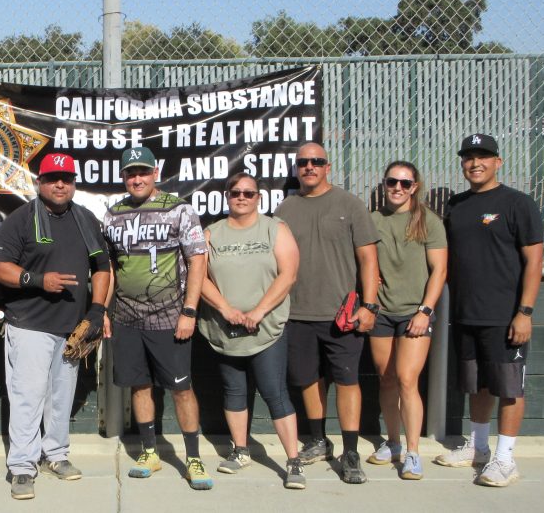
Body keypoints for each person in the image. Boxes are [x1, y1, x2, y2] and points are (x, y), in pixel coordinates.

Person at [0, 153, 112, 500]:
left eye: (67, 178)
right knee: (28, 398)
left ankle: (55, 456)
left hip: (71, 326)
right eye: (53, 178)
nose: (60, 184)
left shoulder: (85, 218)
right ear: (39, 183)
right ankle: (23, 467)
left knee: (61, 398)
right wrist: (37, 280)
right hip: (29, 324)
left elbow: (102, 267)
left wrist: (98, 309)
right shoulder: (21, 219)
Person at [434, 133, 543, 487]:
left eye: (483, 157)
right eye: (468, 157)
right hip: (465, 315)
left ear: (498, 162)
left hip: (506, 317)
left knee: (509, 389)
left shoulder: (518, 203)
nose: (475, 163)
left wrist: (524, 311)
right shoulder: (457, 205)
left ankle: (505, 459)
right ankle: (479, 448)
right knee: (477, 385)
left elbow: (534, 261)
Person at [103, 146, 213, 491]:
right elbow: (108, 267)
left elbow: (198, 260)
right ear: (123, 177)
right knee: (140, 385)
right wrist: (104, 311)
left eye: (143, 172)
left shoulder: (179, 210)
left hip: (170, 317)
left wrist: (189, 310)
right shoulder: (113, 214)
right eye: (130, 173)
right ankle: (149, 451)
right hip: (127, 317)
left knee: (181, 388)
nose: (137, 178)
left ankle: (193, 457)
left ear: (156, 174)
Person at [275, 142, 379, 484]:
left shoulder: (349, 204)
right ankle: (318, 440)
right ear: (296, 168)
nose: (309, 167)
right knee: (307, 379)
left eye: (316, 161)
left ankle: (350, 451)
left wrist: (369, 305)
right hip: (298, 313)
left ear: (327, 166)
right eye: (303, 162)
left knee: (347, 380)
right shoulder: (286, 208)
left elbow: (368, 259)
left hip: (342, 314)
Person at [197, 172, 305, 489]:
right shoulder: (211, 234)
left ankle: (294, 462)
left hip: (266, 329)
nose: (241, 197)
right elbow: (199, 277)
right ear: (227, 196)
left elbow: (288, 275)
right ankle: (241, 450)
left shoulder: (275, 229)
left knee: (275, 393)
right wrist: (226, 310)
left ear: (258, 197)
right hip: (225, 329)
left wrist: (258, 311)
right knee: (233, 392)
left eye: (248, 193)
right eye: (235, 192)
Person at [367, 161, 447, 480]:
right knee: (386, 378)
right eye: (392, 182)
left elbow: (439, 271)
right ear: (384, 184)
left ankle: (413, 453)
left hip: (416, 312)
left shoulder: (429, 221)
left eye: (404, 183)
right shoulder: (372, 221)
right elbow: (365, 262)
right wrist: (371, 287)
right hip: (382, 313)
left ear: (415, 186)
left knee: (406, 379)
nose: (397, 188)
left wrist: (424, 310)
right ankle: (394, 442)